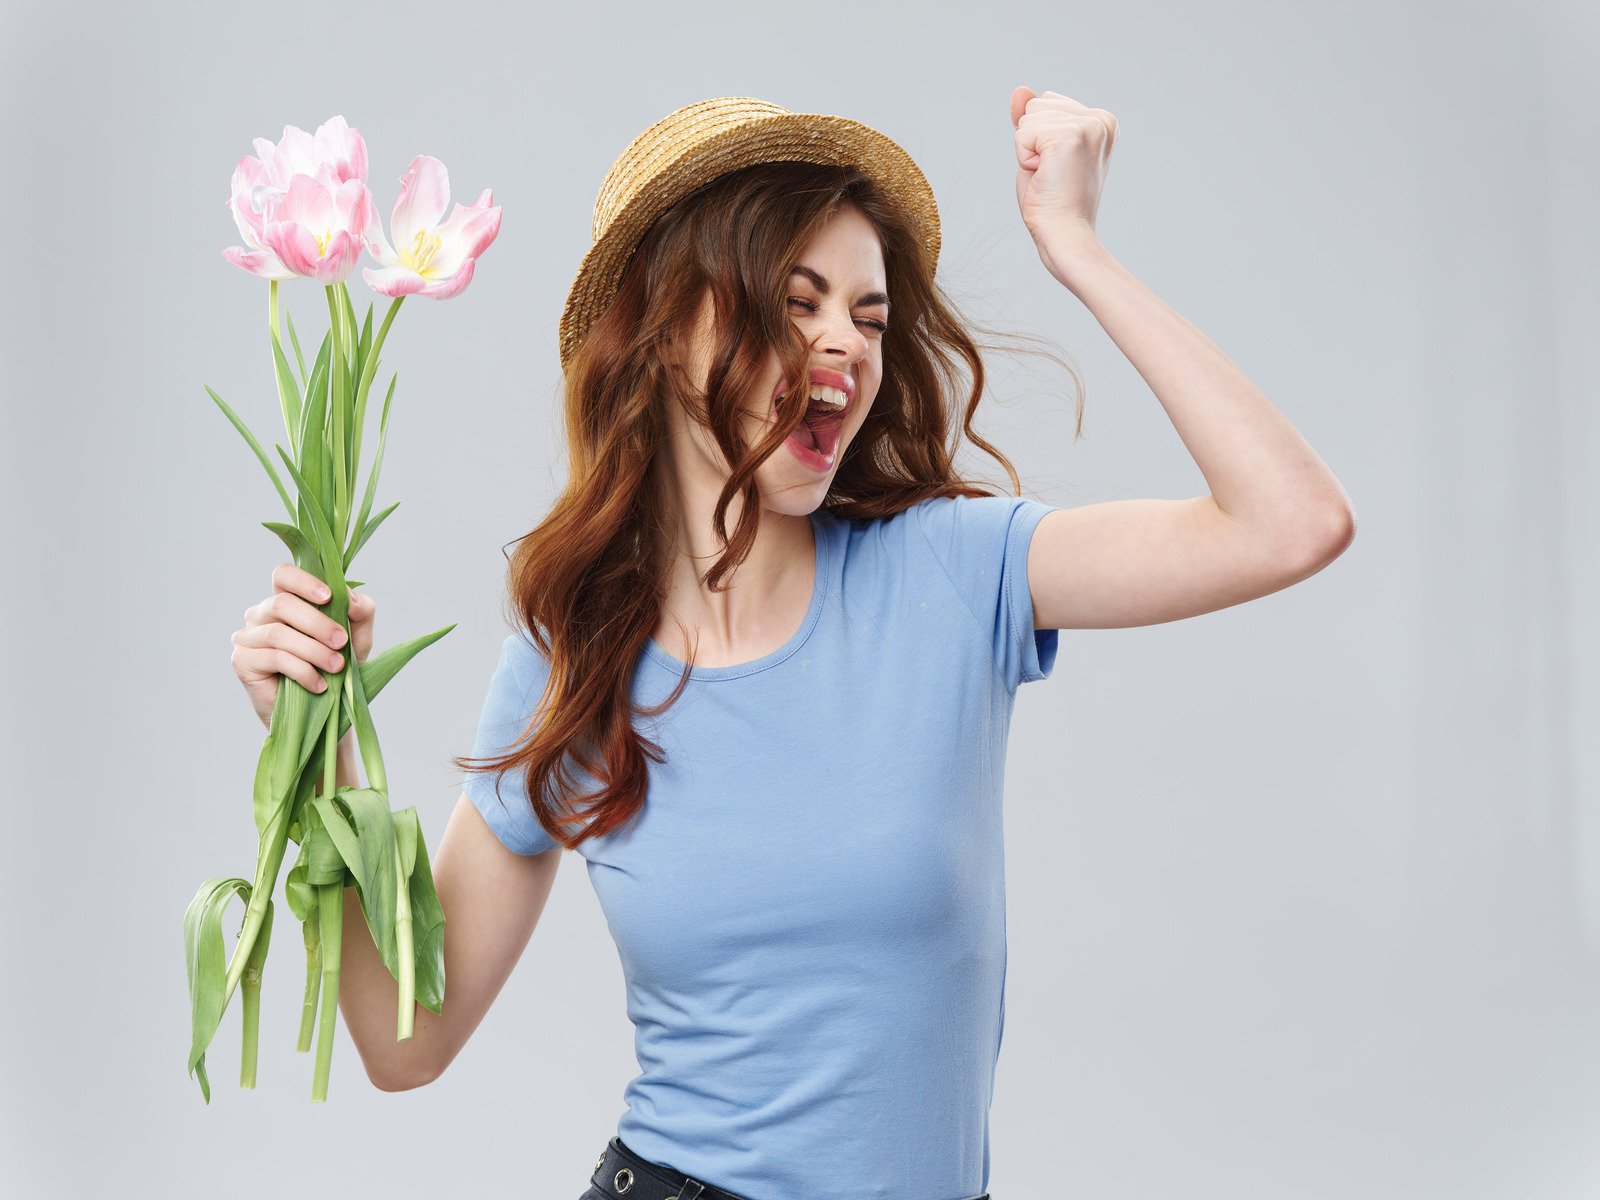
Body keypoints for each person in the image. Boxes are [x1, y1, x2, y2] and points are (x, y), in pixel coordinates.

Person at [230, 92, 1355, 1200]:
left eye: (867, 317)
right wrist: (314, 747)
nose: (842, 344)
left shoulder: (955, 572)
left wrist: (1076, 249)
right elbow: (403, 1041)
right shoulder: (574, 657)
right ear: (669, 329)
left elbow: (1288, 523)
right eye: (796, 299)